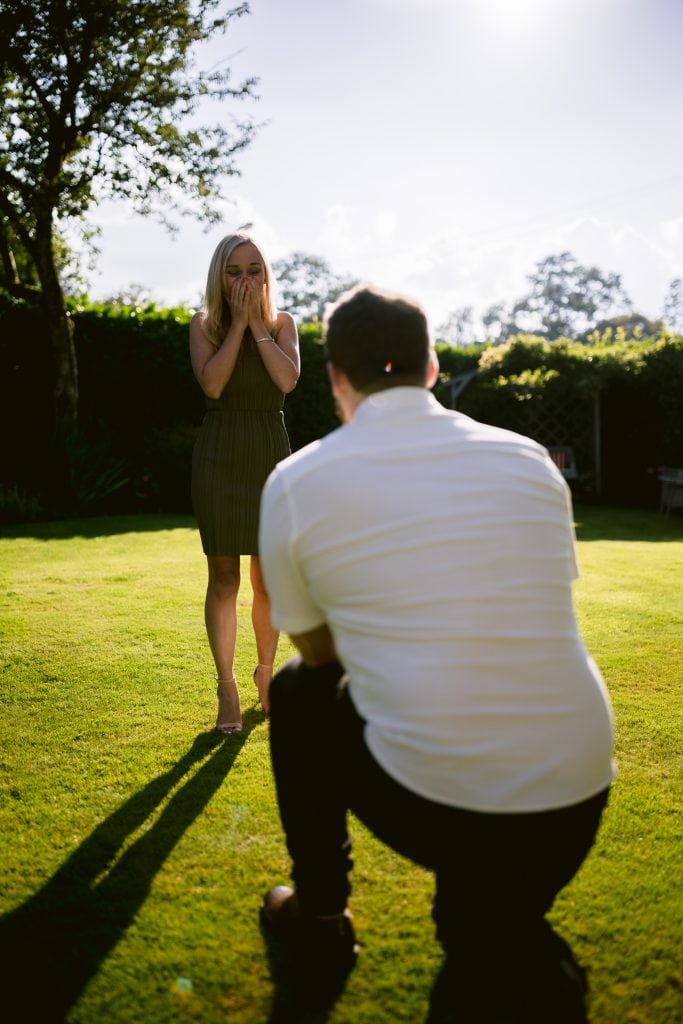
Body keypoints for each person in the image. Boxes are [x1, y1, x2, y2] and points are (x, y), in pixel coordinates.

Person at [257, 284, 615, 1022]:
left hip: (446, 804)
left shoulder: (296, 480)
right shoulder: (527, 459)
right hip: (579, 790)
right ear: (429, 368)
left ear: (334, 379)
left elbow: (323, 659)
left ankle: (320, 912)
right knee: (487, 927)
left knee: (295, 691)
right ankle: (494, 930)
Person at [190, 232, 299, 734]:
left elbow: (286, 380)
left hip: (269, 459)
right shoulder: (203, 326)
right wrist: (236, 325)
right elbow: (213, 384)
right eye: (235, 271)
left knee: (267, 580)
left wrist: (256, 324)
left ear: (265, 275)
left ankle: (266, 675)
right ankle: (227, 688)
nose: (245, 279)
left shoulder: (282, 325)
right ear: (219, 276)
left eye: (254, 269)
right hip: (220, 458)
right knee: (225, 578)